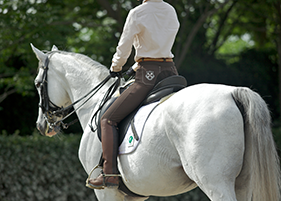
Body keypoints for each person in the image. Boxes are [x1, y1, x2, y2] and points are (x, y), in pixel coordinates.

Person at [87, 0, 180, 189]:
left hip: (148, 74)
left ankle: (110, 174)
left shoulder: (138, 12)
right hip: (171, 71)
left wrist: (116, 67)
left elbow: (124, 45)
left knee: (107, 120)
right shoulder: (170, 10)